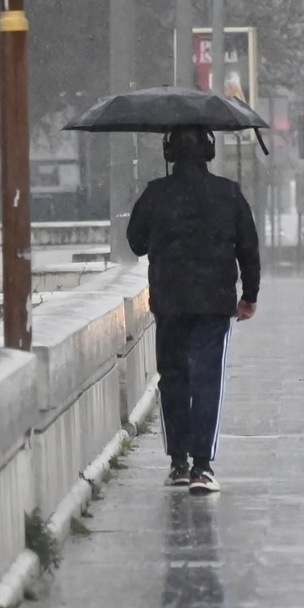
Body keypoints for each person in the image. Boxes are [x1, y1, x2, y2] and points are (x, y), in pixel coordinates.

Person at [127, 126, 260, 495]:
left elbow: (135, 243)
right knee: (206, 380)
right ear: (209, 151)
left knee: (173, 378)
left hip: (169, 302)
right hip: (214, 303)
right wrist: (249, 294)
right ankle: (203, 467)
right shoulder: (229, 193)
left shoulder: (156, 193)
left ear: (169, 152)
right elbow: (248, 247)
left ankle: (178, 463)